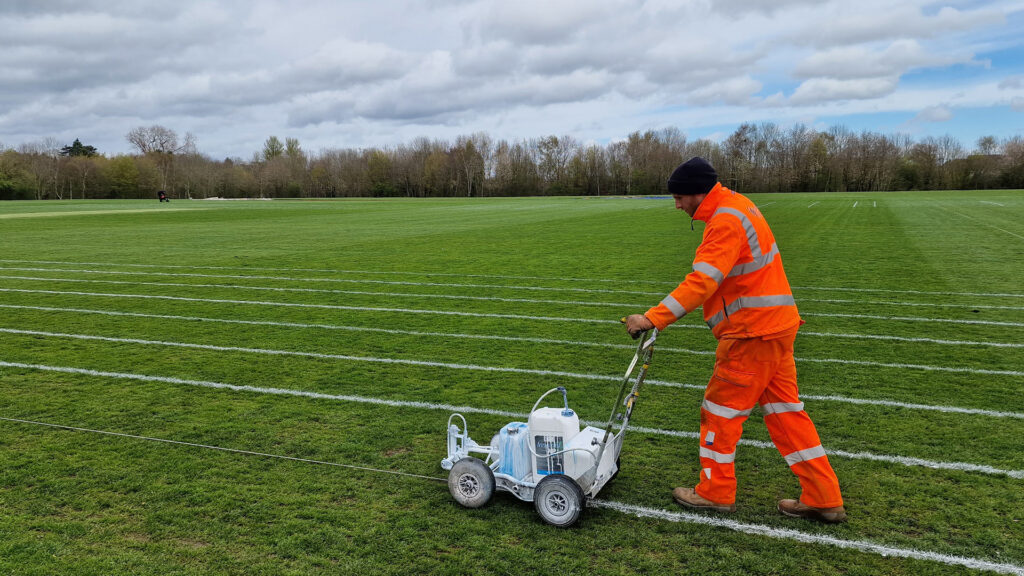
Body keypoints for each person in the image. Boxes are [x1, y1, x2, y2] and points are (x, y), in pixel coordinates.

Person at [623, 157, 845, 523]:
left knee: (719, 414)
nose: (677, 205)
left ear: (698, 191)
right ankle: (824, 496)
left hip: (751, 334)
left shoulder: (725, 219)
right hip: (776, 328)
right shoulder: (738, 206)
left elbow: (703, 281)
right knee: (787, 414)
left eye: (679, 197)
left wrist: (652, 317)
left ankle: (715, 493)